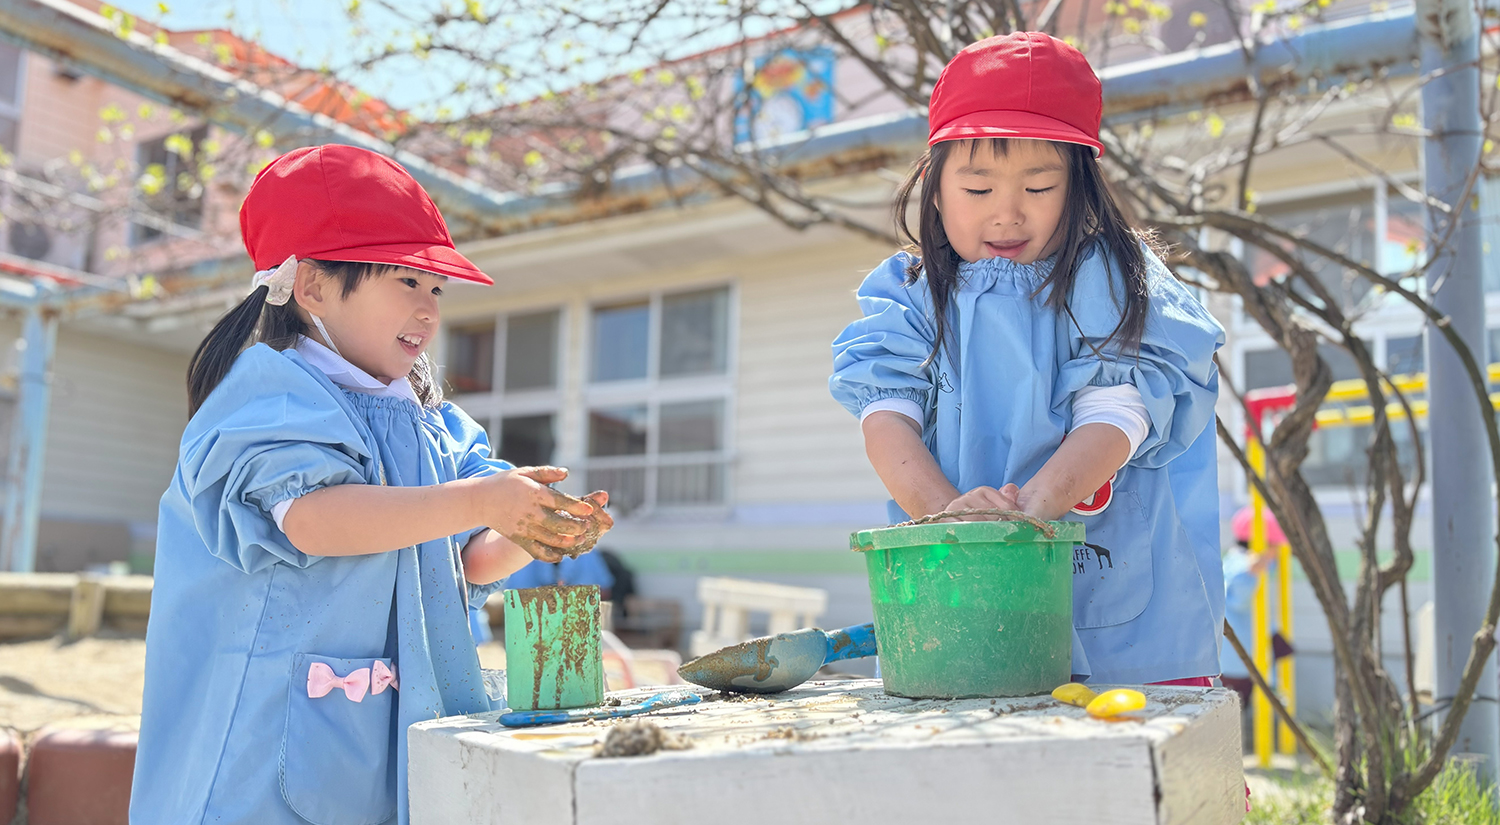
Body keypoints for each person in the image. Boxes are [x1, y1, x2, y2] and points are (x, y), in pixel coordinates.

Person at [130, 144, 613, 825]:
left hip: (374, 736)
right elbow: (316, 520)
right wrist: (479, 499)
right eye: (405, 282)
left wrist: (528, 526)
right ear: (314, 287)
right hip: (263, 743)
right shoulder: (271, 395)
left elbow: (470, 556)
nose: (428, 309)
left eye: (436, 288)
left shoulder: (435, 424)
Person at [829, 32, 1227, 687]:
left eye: (1039, 186)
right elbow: (885, 413)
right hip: (952, 592)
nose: (1008, 213)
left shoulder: (1113, 277)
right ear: (933, 186)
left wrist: (1029, 515)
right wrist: (947, 516)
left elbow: (1116, 412)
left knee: (1123, 766)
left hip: (1111, 599)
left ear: (1080, 185)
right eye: (978, 188)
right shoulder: (909, 292)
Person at [1221, 506, 1295, 707]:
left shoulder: (1234, 559)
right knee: (1238, 699)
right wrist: (1259, 563)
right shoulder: (1243, 565)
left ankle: (1273, 686)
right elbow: (1239, 592)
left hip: (1251, 638)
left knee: (1281, 649)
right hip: (1238, 650)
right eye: (1274, 547)